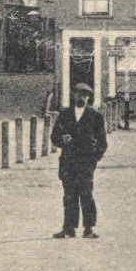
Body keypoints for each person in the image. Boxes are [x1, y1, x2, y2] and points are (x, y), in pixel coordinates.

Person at [52, 82, 108, 239]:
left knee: (86, 194)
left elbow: (102, 143)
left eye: (84, 95)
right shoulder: (65, 114)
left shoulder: (95, 116)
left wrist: (92, 161)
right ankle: (69, 228)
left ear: (88, 97)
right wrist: (62, 140)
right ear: (73, 95)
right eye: (78, 94)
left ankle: (89, 228)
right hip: (68, 162)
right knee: (69, 195)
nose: (80, 97)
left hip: (85, 163)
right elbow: (54, 137)